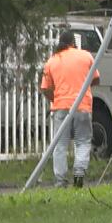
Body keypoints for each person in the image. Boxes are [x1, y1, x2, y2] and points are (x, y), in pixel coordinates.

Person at [39, 31, 100, 188]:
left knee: (60, 145)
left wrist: (55, 98)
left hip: (61, 107)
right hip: (83, 106)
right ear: (74, 43)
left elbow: (45, 88)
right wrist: (83, 88)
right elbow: (96, 79)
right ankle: (79, 172)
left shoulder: (52, 61)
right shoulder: (86, 56)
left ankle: (60, 180)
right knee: (82, 141)